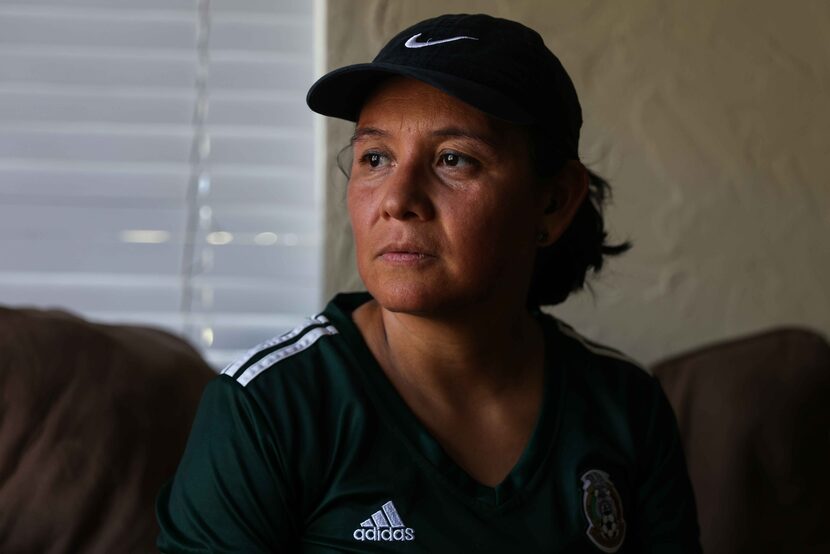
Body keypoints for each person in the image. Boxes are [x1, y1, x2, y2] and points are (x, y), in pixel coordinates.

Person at [156, 13, 701, 553]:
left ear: (554, 201)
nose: (397, 199)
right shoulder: (269, 410)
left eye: (453, 159)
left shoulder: (626, 408)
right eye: (375, 157)